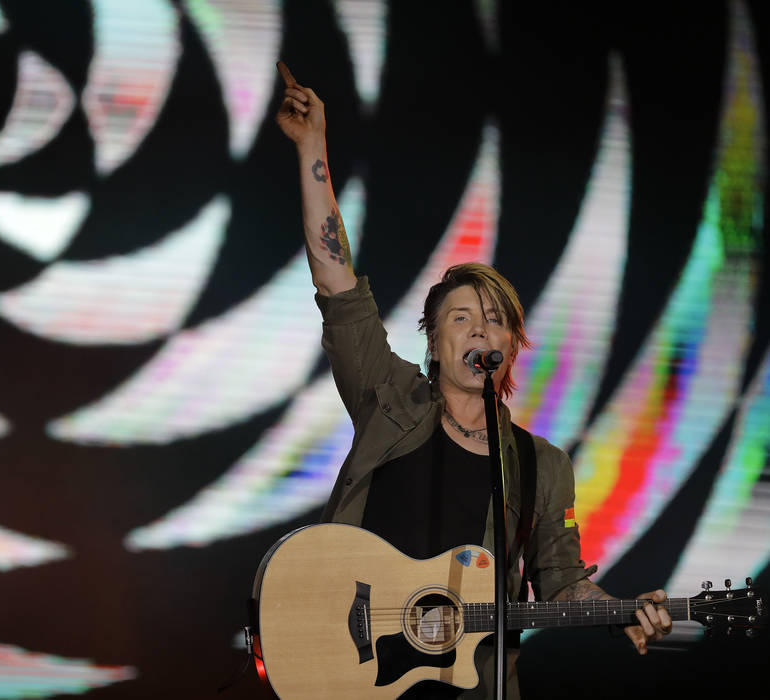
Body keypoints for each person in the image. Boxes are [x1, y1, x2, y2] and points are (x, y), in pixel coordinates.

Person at [274, 61, 672, 699]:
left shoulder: (540, 465)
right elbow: (338, 285)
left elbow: (561, 580)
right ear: (434, 340)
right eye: (460, 318)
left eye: (494, 321)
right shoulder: (391, 399)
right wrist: (312, 148)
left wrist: (623, 609)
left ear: (513, 346)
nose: (479, 331)